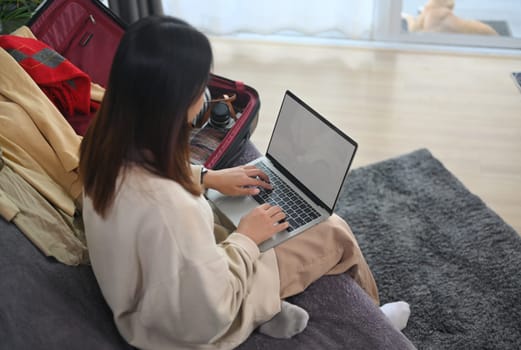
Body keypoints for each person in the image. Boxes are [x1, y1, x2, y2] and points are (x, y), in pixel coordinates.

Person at [79, 15, 410, 350]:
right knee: (334, 231)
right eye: (199, 86)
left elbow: (154, 187)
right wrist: (248, 239)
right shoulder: (171, 209)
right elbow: (211, 311)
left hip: (143, 298)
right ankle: (376, 322)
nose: (205, 93)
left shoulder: (102, 143)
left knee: (241, 214)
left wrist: (208, 178)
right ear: (175, 101)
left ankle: (271, 314)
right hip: (178, 327)